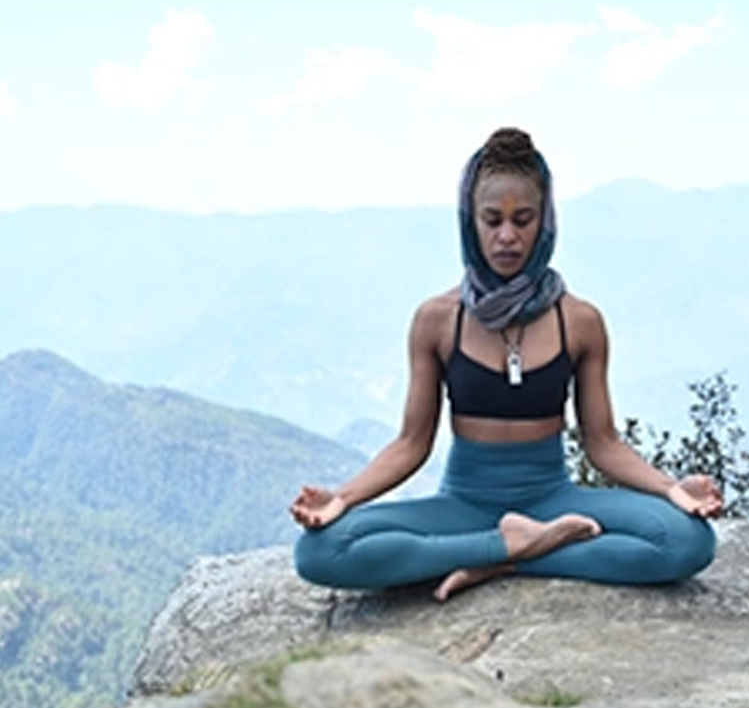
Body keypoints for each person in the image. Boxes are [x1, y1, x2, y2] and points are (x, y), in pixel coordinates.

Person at [290, 127, 721, 602]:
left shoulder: (578, 321)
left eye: (523, 219)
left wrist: (670, 490)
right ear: (469, 222)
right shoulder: (437, 320)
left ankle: (505, 557)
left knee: (687, 542)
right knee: (320, 552)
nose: (507, 236)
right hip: (464, 503)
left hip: (553, 498)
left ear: (545, 222)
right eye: (492, 220)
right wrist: (343, 498)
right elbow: (412, 443)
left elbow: (603, 444)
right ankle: (504, 545)